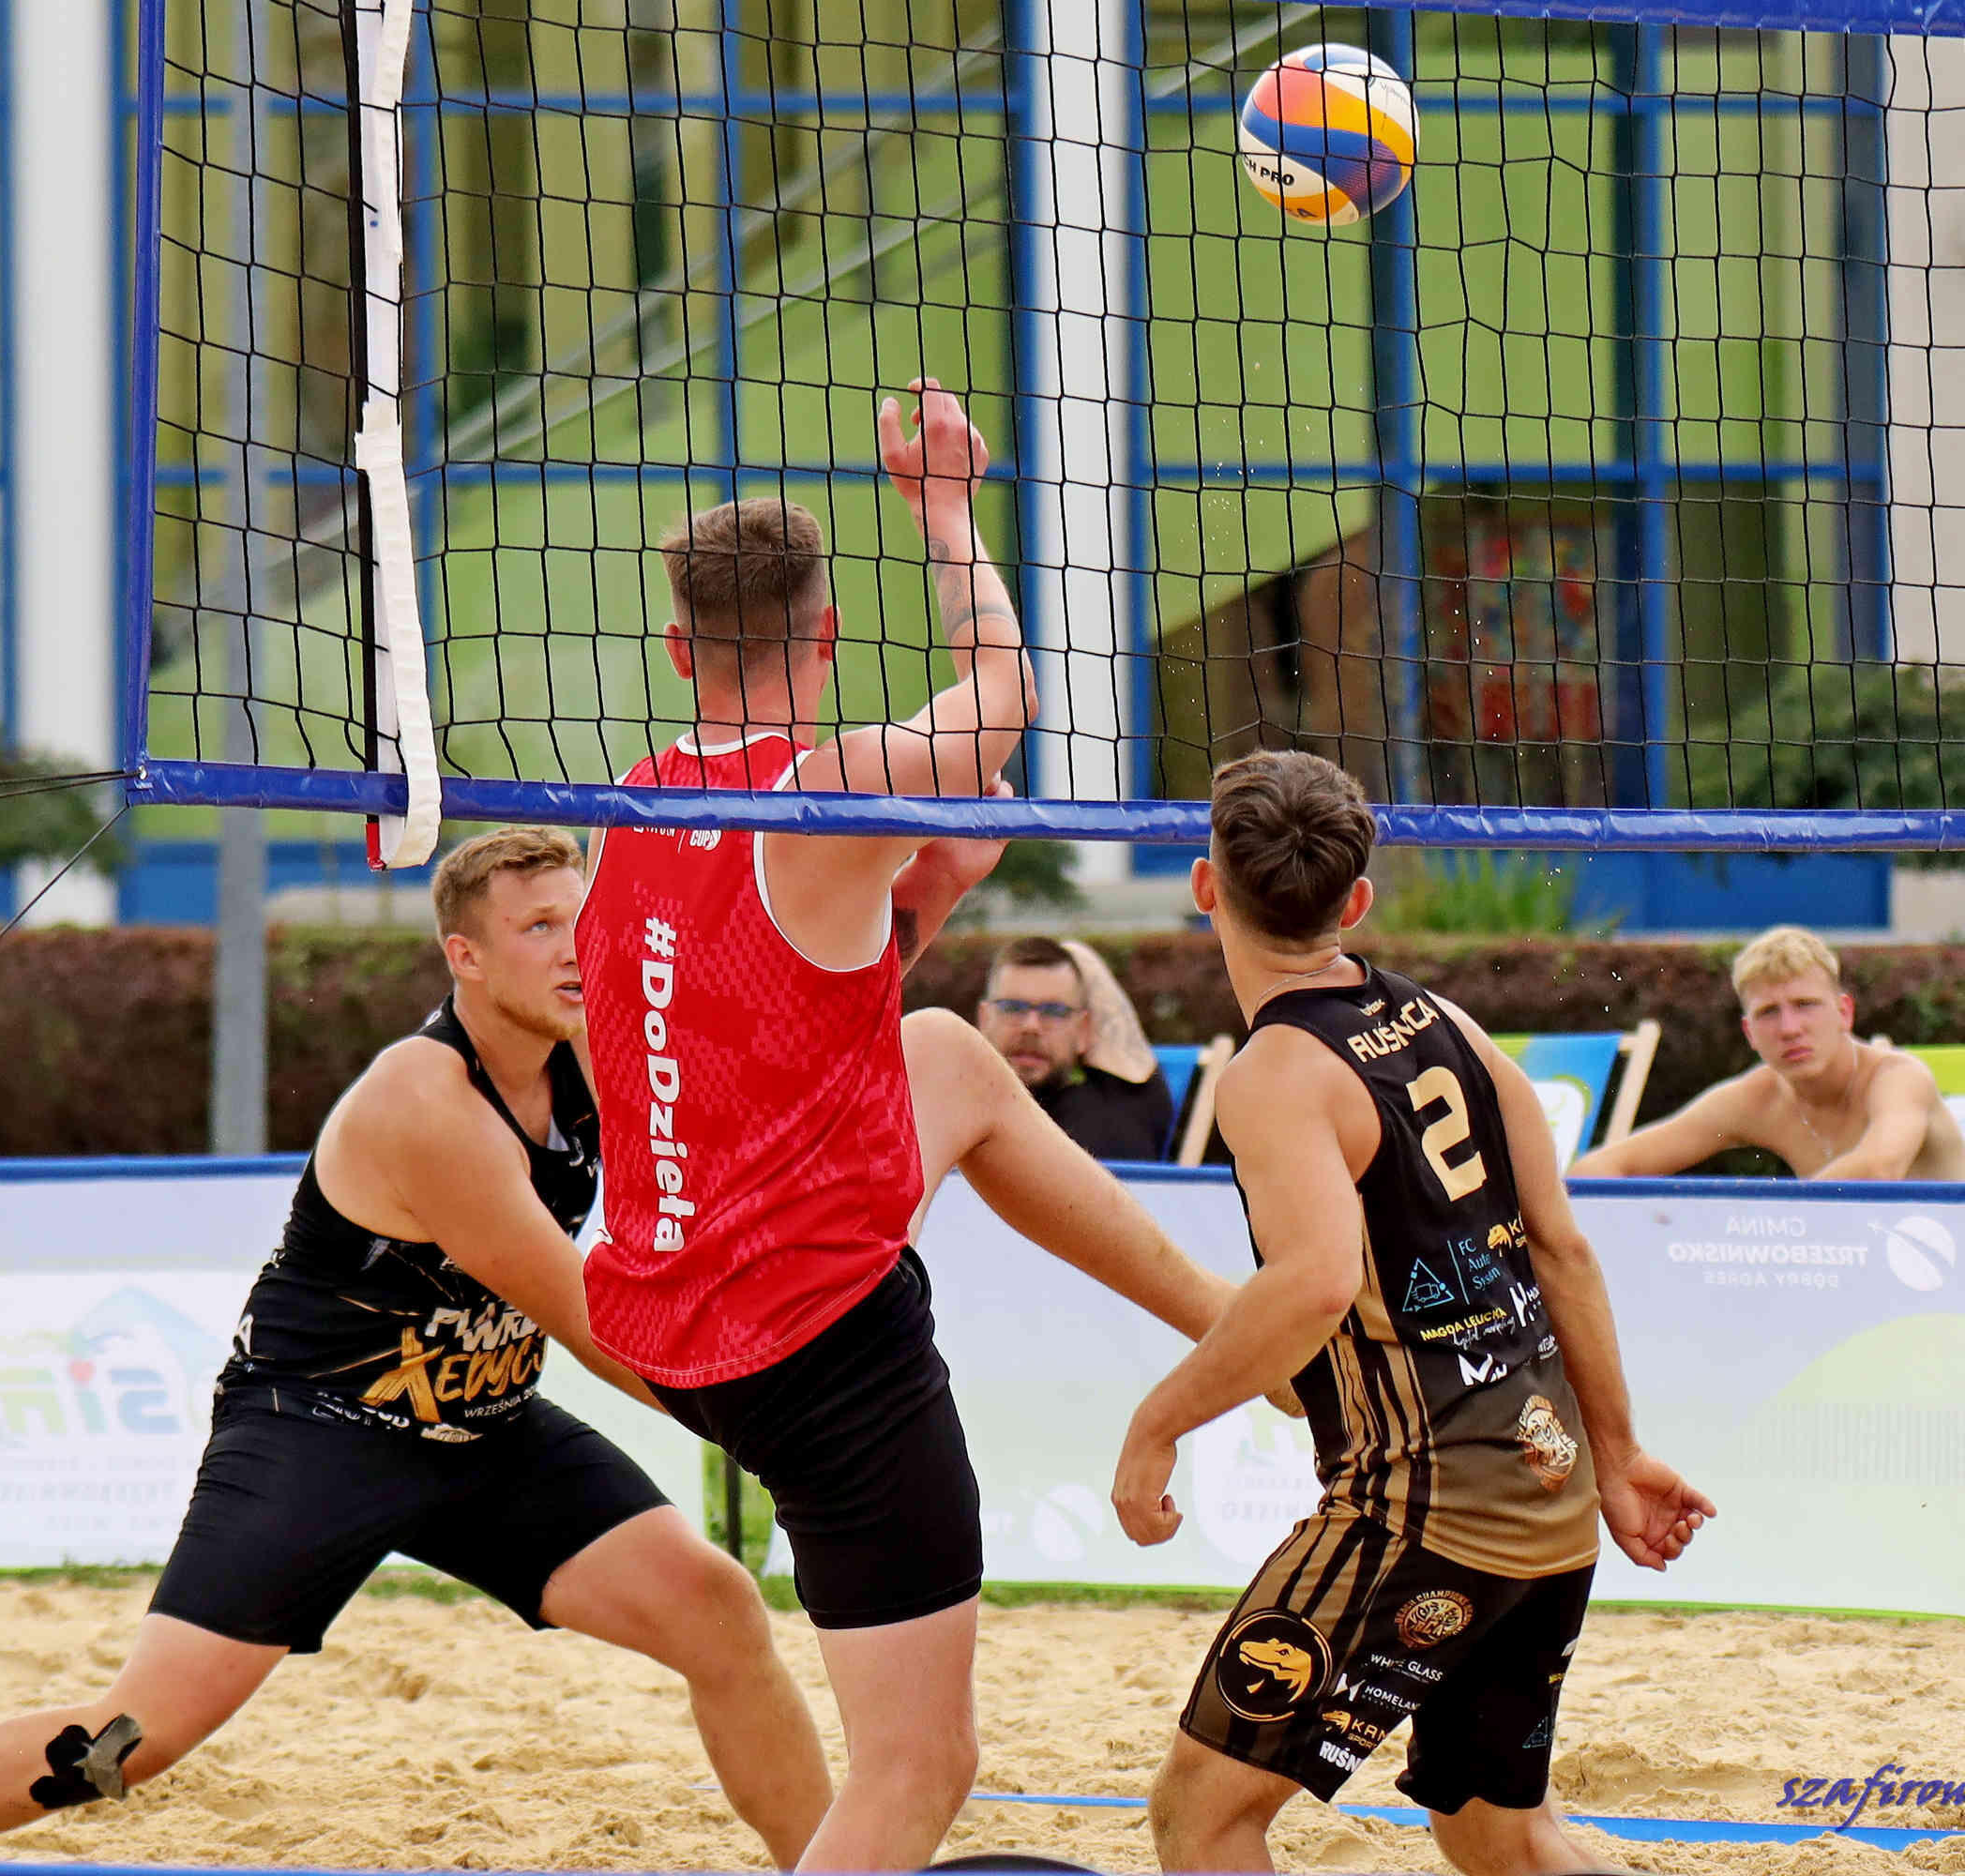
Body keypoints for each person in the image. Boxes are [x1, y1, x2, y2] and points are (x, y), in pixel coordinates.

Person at [0, 830, 830, 1865]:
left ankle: (840, 1870)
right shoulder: (426, 1102)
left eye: (581, 921)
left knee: (719, 1612)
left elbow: (745, 1123)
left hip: (485, 1427)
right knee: (129, 1741)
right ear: (465, 956)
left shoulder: (598, 1053)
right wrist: (780, 1430)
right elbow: (589, 1316)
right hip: (319, 1431)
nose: (572, 947)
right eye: (538, 926)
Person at [575, 380, 1233, 1872]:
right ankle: (1248, 1341)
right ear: (824, 638)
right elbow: (1002, 697)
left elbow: (755, 1004)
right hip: (816, 1345)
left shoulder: (622, 808)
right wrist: (943, 509)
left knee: (948, 1055)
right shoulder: (827, 798)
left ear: (677, 650)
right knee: (920, 1768)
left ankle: (1232, 1329)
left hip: (672, 1316)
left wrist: (919, 893)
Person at [1111, 751, 1716, 1876]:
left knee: (1202, 1816)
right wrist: (1618, 1453)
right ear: (1355, 901)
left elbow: (1313, 1283)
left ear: (1205, 886)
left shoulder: (1276, 1071)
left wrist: (1158, 1421)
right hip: (1551, 1503)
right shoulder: (1448, 1022)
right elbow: (1563, 1247)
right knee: (1499, 1833)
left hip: (1418, 1514)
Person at [1569, 924, 1965, 1182]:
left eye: (1806, 1005)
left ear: (1844, 1013)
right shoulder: (1756, 1099)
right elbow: (1603, 1167)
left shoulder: (1898, 1078)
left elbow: (1880, 1168)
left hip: (1947, 1281)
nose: (1790, 1028)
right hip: (1840, 1269)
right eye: (1768, 1013)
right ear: (1750, 1034)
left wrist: (1775, 1222)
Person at [977, 935, 1177, 1160]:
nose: (1031, 1026)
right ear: (984, 1020)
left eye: (1053, 1011)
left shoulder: (1116, 1114)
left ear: (1084, 1030)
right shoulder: (958, 1106)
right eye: (1013, 1007)